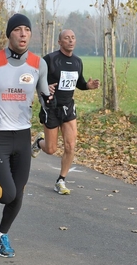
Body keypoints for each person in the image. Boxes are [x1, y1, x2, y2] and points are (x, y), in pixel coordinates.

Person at [0, 13, 55, 258]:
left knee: (19, 192)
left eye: (27, 29)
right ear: (9, 34)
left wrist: (49, 106)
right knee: (7, 195)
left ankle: (1, 235)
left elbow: (45, 94)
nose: (23, 33)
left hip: (23, 136)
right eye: (18, 29)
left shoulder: (39, 64)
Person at [31, 29, 100, 195]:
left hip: (68, 108)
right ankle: (38, 142)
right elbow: (35, 78)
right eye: (66, 38)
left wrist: (87, 86)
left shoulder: (77, 62)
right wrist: (43, 87)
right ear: (59, 42)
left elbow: (80, 82)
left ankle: (61, 180)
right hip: (51, 108)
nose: (70, 40)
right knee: (51, 149)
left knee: (71, 145)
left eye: (73, 38)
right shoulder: (50, 59)